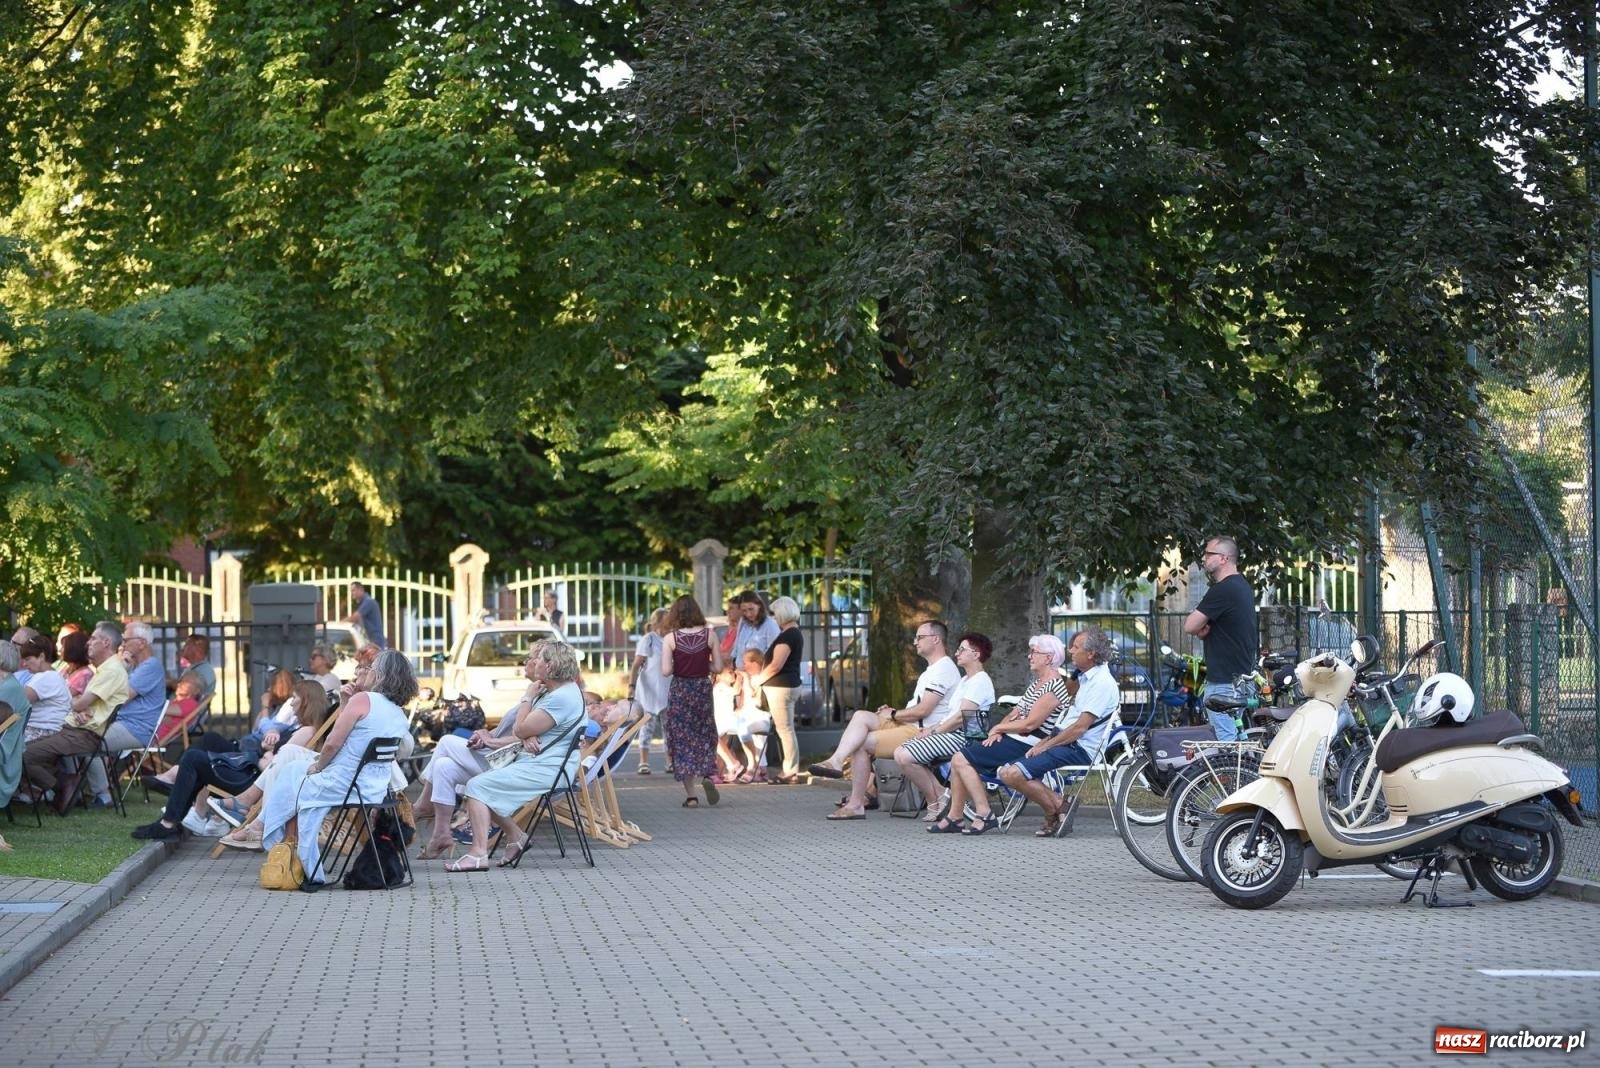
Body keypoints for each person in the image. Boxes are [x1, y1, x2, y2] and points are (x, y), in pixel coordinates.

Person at [256, 649, 415, 884]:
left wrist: (319, 767)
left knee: (297, 783)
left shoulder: (364, 700)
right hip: (375, 787)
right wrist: (344, 703)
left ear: (381, 674)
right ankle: (265, 828)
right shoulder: (398, 712)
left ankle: (290, 853)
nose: (367, 672)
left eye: (371, 669)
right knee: (292, 770)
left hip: (344, 783)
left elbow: (331, 744)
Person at [444, 639, 588, 872]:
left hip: (547, 769)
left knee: (476, 787)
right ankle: (516, 838)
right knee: (479, 784)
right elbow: (528, 730)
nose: (533, 661)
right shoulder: (559, 690)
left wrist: (527, 698)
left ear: (550, 667)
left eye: (540, 658)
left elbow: (520, 729)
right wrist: (526, 733)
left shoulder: (560, 697)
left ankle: (478, 854)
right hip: (540, 761)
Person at [808, 620, 960, 819]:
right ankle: (836, 761)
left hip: (924, 731)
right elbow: (918, 708)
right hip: (911, 724)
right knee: (860, 715)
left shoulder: (944, 668)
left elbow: (923, 710)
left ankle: (855, 805)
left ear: (936, 639)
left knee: (862, 744)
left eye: (920, 637)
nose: (915, 642)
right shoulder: (932, 669)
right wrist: (893, 712)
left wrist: (895, 714)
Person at [414, 644, 552, 858]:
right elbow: (512, 729)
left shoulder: (542, 695)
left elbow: (525, 735)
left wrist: (491, 742)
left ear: (543, 663)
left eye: (531, 658)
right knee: (443, 767)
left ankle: (424, 804)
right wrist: (485, 734)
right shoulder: (534, 691)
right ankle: (441, 833)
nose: (525, 662)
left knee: (446, 741)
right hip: (498, 757)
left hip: (507, 763)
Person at [929, 634, 1071, 836]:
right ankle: (955, 817)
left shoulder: (1054, 686)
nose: (1029, 657)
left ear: (1048, 658)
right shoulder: (1037, 683)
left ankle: (982, 814)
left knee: (960, 759)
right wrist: (999, 730)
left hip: (1028, 742)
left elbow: (1031, 723)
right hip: (1015, 737)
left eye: (1034, 653)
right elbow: (1014, 713)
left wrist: (999, 729)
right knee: (960, 758)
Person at [997, 628, 1119, 836]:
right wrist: (1045, 741)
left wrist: (1046, 744)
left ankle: (1053, 811)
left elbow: (1079, 728)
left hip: (1078, 748)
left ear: (1091, 654)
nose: (1071, 651)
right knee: (1005, 772)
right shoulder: (1087, 679)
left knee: (1014, 773)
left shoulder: (1102, 683)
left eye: (1076, 647)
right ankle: (1060, 805)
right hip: (1065, 741)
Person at [24, 621, 127, 813]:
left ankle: (63, 786)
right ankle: (66, 784)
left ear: (106, 643)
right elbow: (81, 703)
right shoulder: (105, 669)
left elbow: (78, 702)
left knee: (23, 754)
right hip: (75, 729)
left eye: (94, 638)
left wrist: (76, 705)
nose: (88, 642)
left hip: (83, 734)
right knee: (24, 750)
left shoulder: (112, 670)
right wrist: (78, 707)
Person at [893, 632, 996, 820]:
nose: (957, 653)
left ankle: (938, 797)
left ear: (976, 653)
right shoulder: (965, 681)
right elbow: (951, 715)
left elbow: (960, 718)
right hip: (952, 734)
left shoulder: (981, 680)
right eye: (958, 649)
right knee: (901, 753)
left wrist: (932, 732)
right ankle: (939, 796)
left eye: (962, 650)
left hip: (966, 738)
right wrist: (930, 730)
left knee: (904, 754)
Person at [1183, 535, 1258, 742]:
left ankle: (1236, 775)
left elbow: (1189, 625)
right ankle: (1244, 774)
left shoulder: (1223, 589)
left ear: (1224, 558)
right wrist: (1204, 628)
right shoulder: (1241, 586)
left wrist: (1199, 626)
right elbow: (1212, 627)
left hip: (1225, 682)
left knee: (1227, 748)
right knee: (1234, 742)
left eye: (1209, 553)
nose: (1204, 558)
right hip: (1239, 679)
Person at [86, 620, 166, 806]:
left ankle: (103, 795)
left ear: (141, 643)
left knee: (88, 741)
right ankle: (85, 790)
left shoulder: (150, 666)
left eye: (126, 639)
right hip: (120, 723)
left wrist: (120, 667)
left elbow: (121, 696)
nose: (122, 644)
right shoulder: (136, 666)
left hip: (136, 729)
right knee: (79, 736)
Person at [659, 594, 725, 807]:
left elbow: (666, 671)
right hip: (701, 689)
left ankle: (691, 796)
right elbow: (719, 667)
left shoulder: (670, 639)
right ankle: (707, 774)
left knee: (682, 738)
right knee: (705, 733)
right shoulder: (710, 635)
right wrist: (702, 665)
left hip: (680, 690)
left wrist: (682, 665)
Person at [627, 608, 670, 774]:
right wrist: (631, 685)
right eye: (667, 618)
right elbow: (637, 664)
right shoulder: (649, 639)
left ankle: (669, 761)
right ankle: (643, 762)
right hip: (649, 688)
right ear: (658, 621)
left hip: (667, 688)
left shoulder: (671, 638)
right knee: (647, 726)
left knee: (669, 728)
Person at [18, 635, 71, 744]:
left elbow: (17, 703)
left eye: (28, 659)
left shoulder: (45, 677)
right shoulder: (55, 676)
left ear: (41, 656)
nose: (24, 664)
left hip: (40, 733)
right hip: (52, 733)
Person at [171, 633, 216, 706]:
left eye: (186, 644)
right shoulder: (197, 667)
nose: (183, 648)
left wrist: (169, 683)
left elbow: (187, 688)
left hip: (183, 712)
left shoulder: (205, 670)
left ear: (195, 648)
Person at [733, 591, 780, 659]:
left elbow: (774, 653)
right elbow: (736, 647)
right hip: (739, 668)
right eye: (744, 611)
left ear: (759, 605)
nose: (748, 614)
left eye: (751, 609)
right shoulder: (743, 622)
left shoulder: (770, 624)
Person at [342, 580, 387, 649]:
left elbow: (354, 618)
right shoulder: (364, 602)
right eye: (351, 591)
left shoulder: (368, 602)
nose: (352, 593)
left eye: (353, 590)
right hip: (372, 640)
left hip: (376, 641)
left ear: (361, 589)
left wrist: (340, 623)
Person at [58, 631, 93, 697]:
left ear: (73, 649)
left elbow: (65, 697)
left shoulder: (85, 674)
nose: (60, 650)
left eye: (63, 647)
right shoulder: (66, 668)